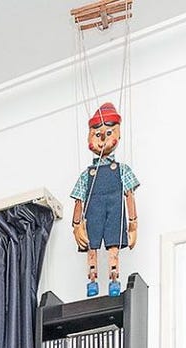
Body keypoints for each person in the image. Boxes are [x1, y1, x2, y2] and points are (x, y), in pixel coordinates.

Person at [70, 103, 139, 299]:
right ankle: (92, 279)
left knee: (113, 248)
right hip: (93, 213)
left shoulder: (122, 169)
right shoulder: (87, 175)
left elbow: (129, 195)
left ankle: (114, 278)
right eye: (97, 134)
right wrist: (77, 225)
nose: (102, 138)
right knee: (91, 247)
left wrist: (133, 224)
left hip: (115, 212)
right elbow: (78, 200)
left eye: (108, 133)